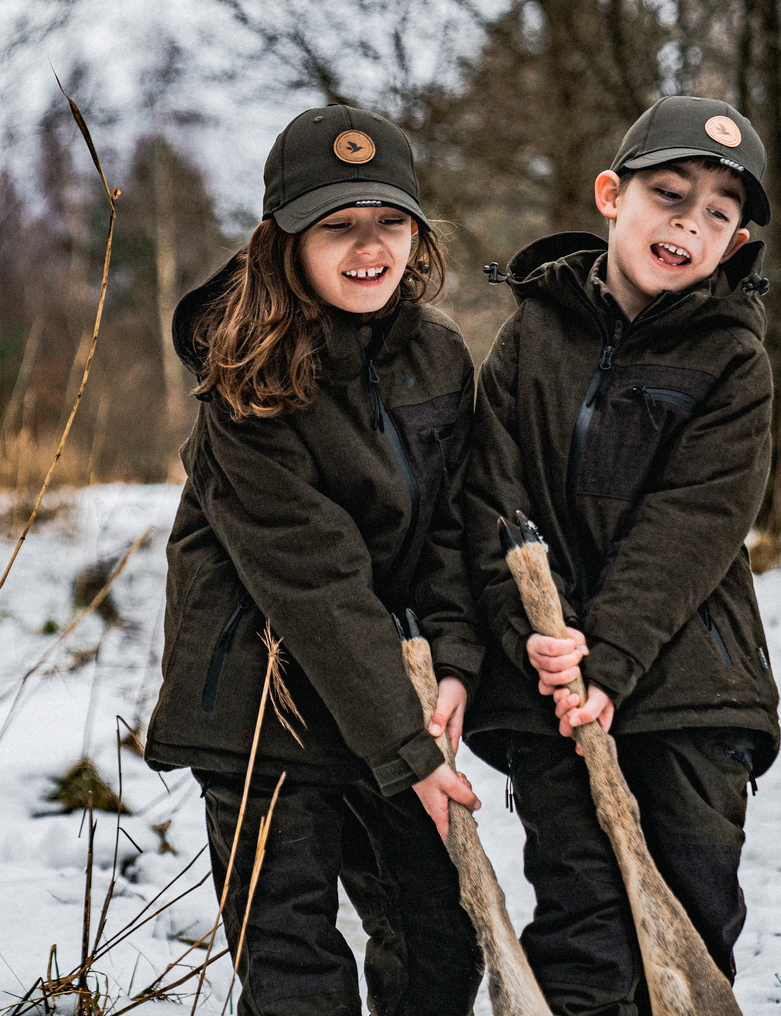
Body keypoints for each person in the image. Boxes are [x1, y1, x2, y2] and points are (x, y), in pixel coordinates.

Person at [145, 104, 485, 1016]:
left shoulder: (439, 356)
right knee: (298, 973)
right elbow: (317, 583)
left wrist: (454, 659)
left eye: (389, 221)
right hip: (264, 710)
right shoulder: (245, 378)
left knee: (441, 944)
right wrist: (409, 749)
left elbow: (456, 525)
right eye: (337, 225)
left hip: (386, 699)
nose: (368, 247)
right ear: (283, 240)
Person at [462, 96, 781, 1014]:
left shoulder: (733, 360)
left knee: (688, 909)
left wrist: (609, 650)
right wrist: (539, 638)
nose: (689, 221)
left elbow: (693, 522)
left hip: (686, 686)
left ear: (735, 240)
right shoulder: (530, 337)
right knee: (584, 924)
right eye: (670, 193)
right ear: (612, 194)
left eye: (719, 212)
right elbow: (492, 498)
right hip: (550, 686)